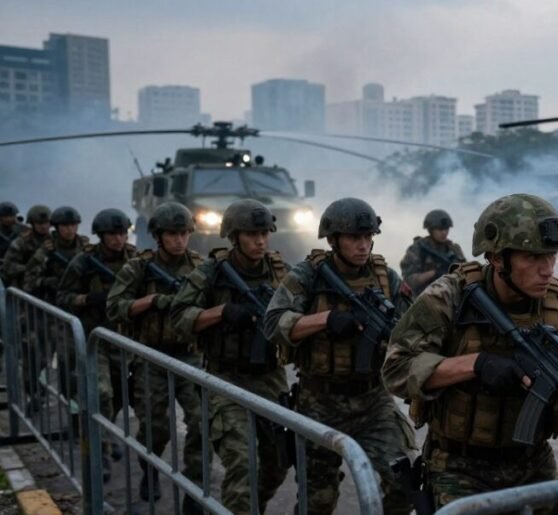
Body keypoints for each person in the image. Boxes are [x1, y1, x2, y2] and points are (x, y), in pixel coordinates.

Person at [383, 193, 558, 512]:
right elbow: (396, 369)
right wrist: (475, 364)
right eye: (532, 258)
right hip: (459, 465)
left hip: (533, 462)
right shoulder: (450, 297)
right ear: (497, 258)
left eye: (552, 256)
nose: (547, 270)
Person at [264, 198, 415, 515]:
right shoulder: (308, 276)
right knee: (318, 500)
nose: (363, 246)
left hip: (374, 400)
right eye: (353, 239)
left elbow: (413, 329)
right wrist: (325, 320)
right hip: (320, 401)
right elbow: (273, 323)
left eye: (367, 237)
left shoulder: (386, 278)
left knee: (406, 484)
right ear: (333, 240)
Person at [169, 199, 288, 515]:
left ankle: (252, 506)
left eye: (264, 233)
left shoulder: (281, 273)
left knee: (277, 463)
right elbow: (179, 318)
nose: (260, 241)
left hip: (271, 378)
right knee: (242, 461)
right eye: (251, 234)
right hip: (225, 380)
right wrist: (221, 313)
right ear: (234, 236)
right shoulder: (211, 272)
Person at [106, 202, 203, 504]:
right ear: (159, 236)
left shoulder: (201, 267)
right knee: (155, 427)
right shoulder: (139, 267)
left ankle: (196, 487)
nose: (179, 240)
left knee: (203, 423)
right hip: (151, 358)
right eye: (172, 234)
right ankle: (150, 470)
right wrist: (149, 302)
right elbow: (114, 308)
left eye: (184, 233)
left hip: (190, 357)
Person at [56, 208, 137, 479]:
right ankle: (98, 452)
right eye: (113, 234)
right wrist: (88, 299)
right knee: (101, 393)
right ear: (101, 236)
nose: (119, 239)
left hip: (124, 340)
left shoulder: (135, 260)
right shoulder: (84, 262)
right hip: (95, 339)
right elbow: (63, 296)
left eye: (123, 233)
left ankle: (103, 435)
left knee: (117, 397)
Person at [24, 206, 88, 302]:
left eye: (73, 225)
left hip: (79, 298)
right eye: (65, 225)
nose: (70, 229)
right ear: (57, 227)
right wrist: (46, 282)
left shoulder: (85, 247)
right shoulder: (47, 249)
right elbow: (29, 280)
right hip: (53, 301)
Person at [400, 209, 466, 297]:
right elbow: (409, 281)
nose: (444, 232)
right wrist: (434, 273)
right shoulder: (418, 249)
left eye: (446, 229)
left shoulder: (454, 249)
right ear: (430, 230)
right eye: (440, 229)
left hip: (453, 296)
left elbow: (466, 272)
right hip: (425, 299)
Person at [3, 205, 51, 288]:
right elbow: (7, 269)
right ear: (32, 224)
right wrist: (31, 265)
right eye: (39, 223)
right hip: (24, 288)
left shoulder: (55, 240)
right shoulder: (21, 242)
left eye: (47, 223)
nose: (44, 226)